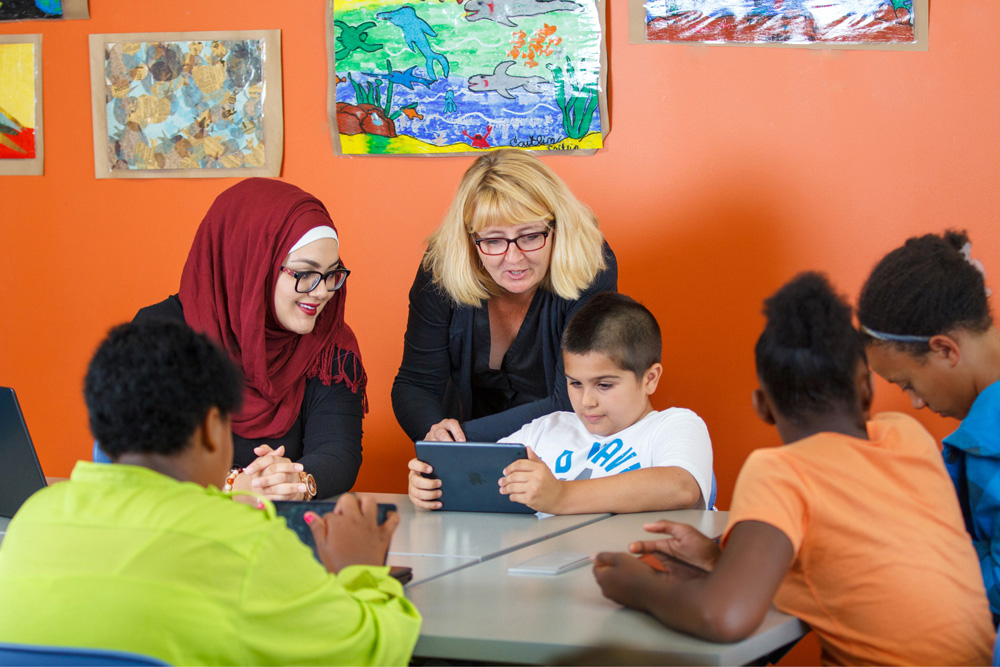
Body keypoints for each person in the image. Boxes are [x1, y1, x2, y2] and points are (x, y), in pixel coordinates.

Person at [591, 273, 994, 665]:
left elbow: (724, 616)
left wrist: (638, 588)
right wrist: (719, 558)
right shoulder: (907, 436)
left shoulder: (779, 470)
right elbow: (854, 556)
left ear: (762, 406)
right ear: (867, 388)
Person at [0, 321, 420, 665]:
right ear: (210, 428)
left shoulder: (31, 520)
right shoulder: (245, 543)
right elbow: (369, 653)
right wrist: (361, 570)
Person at [132, 178, 365, 501]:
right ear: (252, 265)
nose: (323, 290)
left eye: (331, 274)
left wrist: (295, 482)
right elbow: (144, 456)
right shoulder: (159, 333)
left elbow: (339, 450)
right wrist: (232, 486)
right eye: (304, 273)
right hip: (178, 532)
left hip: (278, 535)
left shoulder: (328, 341)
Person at [392, 149, 617, 449]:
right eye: (493, 240)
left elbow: (572, 400)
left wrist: (458, 442)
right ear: (470, 240)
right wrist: (434, 434)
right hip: (466, 457)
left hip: (564, 453)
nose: (514, 258)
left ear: (556, 227)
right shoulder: (441, 269)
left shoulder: (591, 265)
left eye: (530, 236)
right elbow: (416, 383)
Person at [408, 293, 713, 512]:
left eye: (604, 385)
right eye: (575, 383)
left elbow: (681, 486)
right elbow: (476, 480)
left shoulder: (674, 425)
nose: (586, 401)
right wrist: (435, 485)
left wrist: (561, 496)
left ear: (650, 379)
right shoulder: (544, 429)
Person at [857, 229, 1000, 619]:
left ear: (944, 349)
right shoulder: (980, 439)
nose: (917, 403)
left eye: (908, 385)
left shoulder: (991, 447)